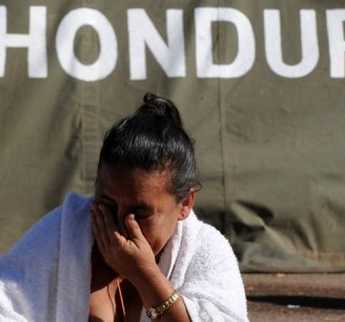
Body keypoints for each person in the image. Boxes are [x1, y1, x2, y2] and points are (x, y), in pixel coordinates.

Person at [0, 93, 248, 322]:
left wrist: (144, 275)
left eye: (140, 213)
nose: (120, 224)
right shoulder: (64, 233)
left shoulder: (206, 250)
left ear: (185, 204)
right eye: (107, 204)